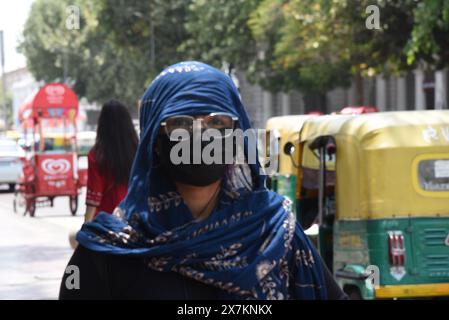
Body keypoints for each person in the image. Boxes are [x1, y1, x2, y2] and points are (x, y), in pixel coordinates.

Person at [60, 61, 347, 300]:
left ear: (237, 134)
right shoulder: (109, 252)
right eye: (181, 123)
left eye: (217, 123)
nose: (201, 136)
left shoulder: (275, 233)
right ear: (154, 141)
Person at [84, 100, 138, 222]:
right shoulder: (139, 151)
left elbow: (93, 199)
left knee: (73, 236)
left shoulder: (97, 155)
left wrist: (85, 228)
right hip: (137, 220)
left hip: (107, 223)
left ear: (102, 124)